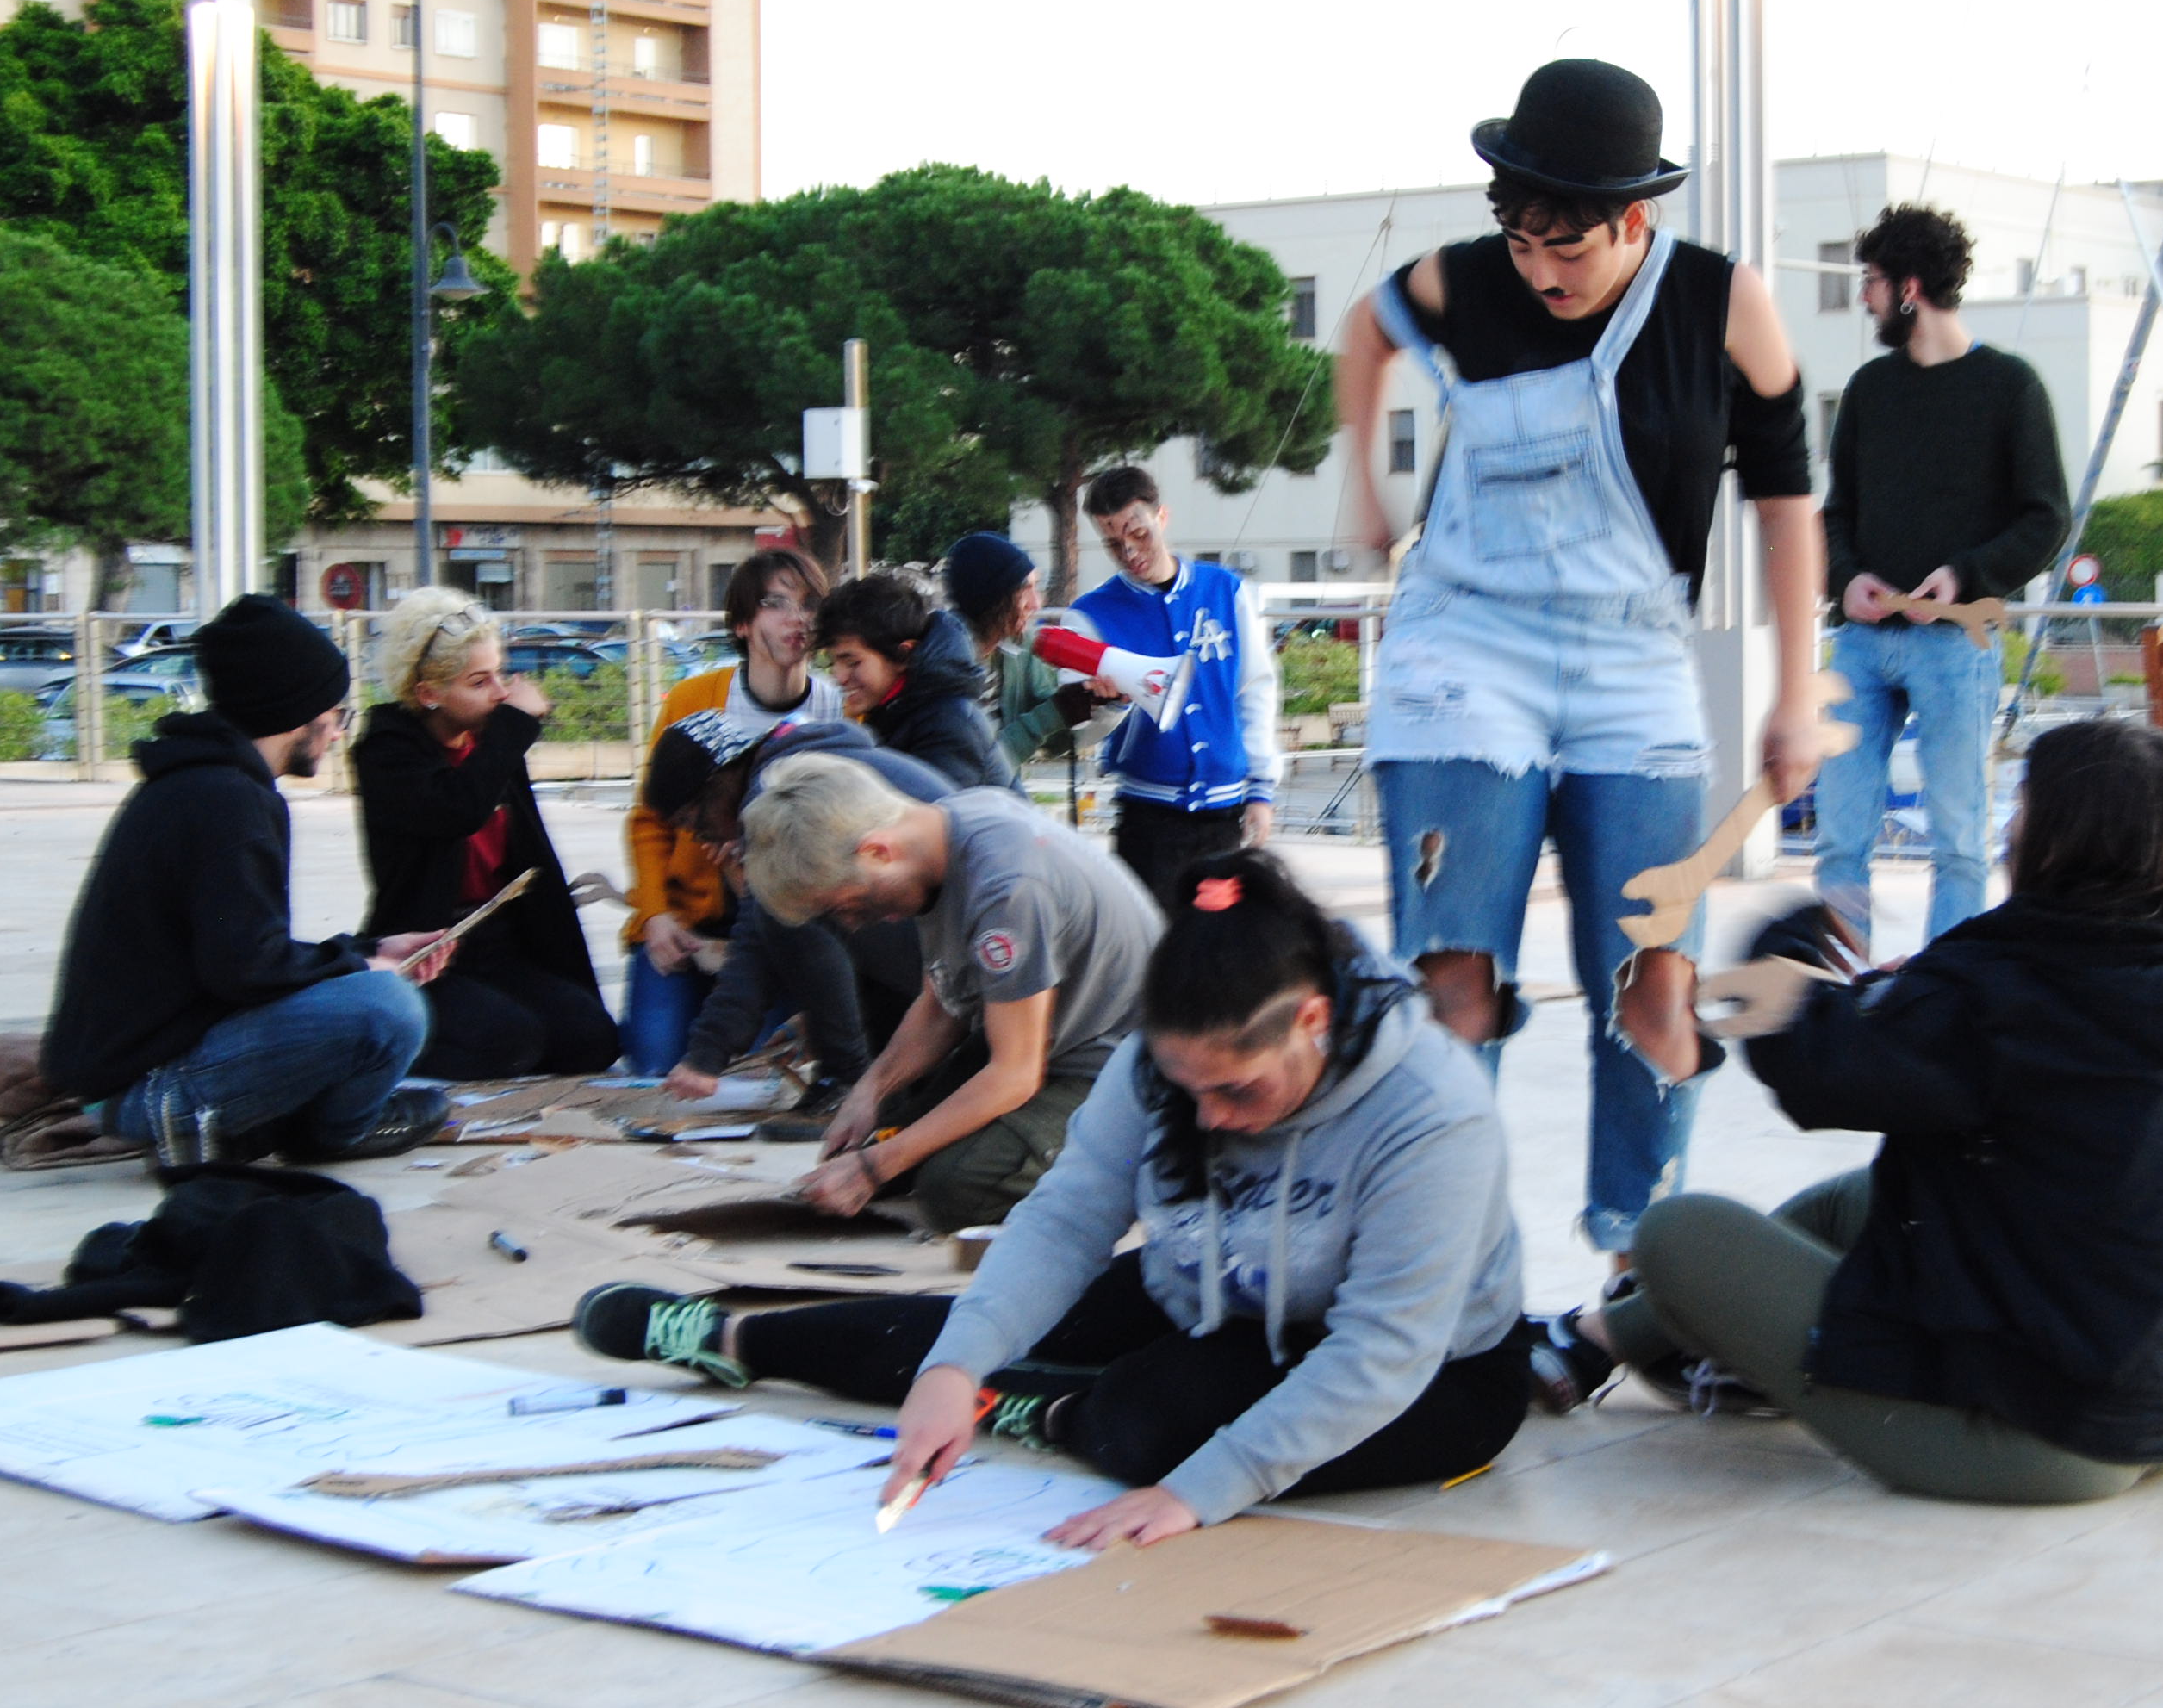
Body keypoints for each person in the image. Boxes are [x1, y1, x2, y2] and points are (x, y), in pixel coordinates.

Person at [571, 853, 1531, 1548]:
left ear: (1313, 1022)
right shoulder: (1157, 1066)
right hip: (1218, 1291)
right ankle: (732, 1339)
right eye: (1186, 1089)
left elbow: (1382, 1350)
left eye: (1236, 1091)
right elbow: (1067, 1220)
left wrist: (1204, 1492)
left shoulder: (1432, 1110)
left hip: (1431, 1372)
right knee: (961, 1341)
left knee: (1151, 1425)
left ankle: (1051, 1412)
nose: (1211, 1118)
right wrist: (953, 1370)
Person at [1335, 57, 1826, 1258]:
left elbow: (1784, 498)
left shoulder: (1723, 302)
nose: (1542, 269)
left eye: (1571, 244)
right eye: (1524, 236)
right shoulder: (1463, 278)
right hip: (1467, 653)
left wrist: (1797, 692)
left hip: (1632, 663)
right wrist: (1365, 481)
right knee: (1457, 981)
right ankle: (1446, 1277)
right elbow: (1361, 331)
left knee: (1655, 981)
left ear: (1635, 217)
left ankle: (1638, 1269)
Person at [1533, 717, 2163, 1503]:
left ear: (2062, 835)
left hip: (2033, 1439)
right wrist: (1910, 996)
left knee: (1677, 1236)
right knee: (1864, 1200)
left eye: (2022, 803)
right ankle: (1593, 1343)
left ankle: (1619, 1343)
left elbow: (1824, 1072)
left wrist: (1782, 952)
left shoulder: (2012, 992)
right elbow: (1996, 1058)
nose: (2008, 823)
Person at [41, 595, 442, 1170]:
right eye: (336, 713)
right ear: (294, 709)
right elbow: (246, 969)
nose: (337, 732)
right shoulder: (228, 801)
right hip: (148, 1093)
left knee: (374, 987)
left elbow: (244, 952)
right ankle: (337, 1131)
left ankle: (285, 1123)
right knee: (389, 1009)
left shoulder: (205, 784)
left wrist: (370, 949)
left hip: (140, 1072)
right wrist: (364, 970)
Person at [731, 751, 1159, 1231]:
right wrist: (871, 1091)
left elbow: (1015, 1075)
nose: (850, 925)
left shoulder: (1006, 888)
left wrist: (875, 1169)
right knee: (886, 1130)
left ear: (877, 852)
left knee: (958, 1186)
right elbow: (942, 1003)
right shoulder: (943, 831)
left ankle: (1143, 1162)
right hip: (1051, 1044)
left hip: (1119, 1071)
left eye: (846, 906)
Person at [1810, 204, 2068, 953]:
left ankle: (1944, 991)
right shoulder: (1867, 390)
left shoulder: (2011, 387)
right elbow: (1839, 512)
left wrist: (1965, 577)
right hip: (1859, 641)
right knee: (1838, 837)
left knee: (1957, 840)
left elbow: (2045, 518)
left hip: (1957, 644)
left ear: (1910, 289)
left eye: (1872, 283)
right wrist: (1847, 578)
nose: (1865, 299)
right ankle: (1842, 987)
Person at [351, 589, 620, 1081]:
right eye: (480, 681)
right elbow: (457, 809)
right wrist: (513, 728)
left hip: (500, 942)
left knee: (593, 1038)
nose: (500, 691)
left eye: (500, 673)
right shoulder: (385, 751)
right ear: (429, 692)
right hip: (430, 949)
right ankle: (384, 1045)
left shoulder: (490, 742)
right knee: (509, 1041)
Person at [621, 548, 845, 1073]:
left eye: (809, 603)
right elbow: (649, 819)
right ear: (743, 624)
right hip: (684, 924)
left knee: (765, 1074)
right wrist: (654, 914)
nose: (798, 618)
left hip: (780, 936)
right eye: (777, 604)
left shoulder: (839, 711)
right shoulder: (694, 699)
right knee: (654, 1067)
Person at [1063, 467, 1282, 892]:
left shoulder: (1227, 591)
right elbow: (1079, 733)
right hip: (1148, 820)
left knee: (1223, 949)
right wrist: (1109, 706)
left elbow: (1255, 691)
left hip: (1225, 814)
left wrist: (1261, 791)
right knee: (1151, 950)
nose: (1129, 552)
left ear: (1162, 517)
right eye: (1112, 544)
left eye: (1138, 534)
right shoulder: (1089, 616)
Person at [817, 574, 1023, 794]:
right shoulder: (886, 712)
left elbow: (932, 817)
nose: (839, 677)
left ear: (904, 655)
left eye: (852, 662)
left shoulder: (949, 724)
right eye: (834, 662)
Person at [944, 529, 1096, 773]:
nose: (1036, 604)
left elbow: (1057, 740)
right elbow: (979, 768)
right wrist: (1054, 714)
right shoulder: (946, 664)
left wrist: (1096, 705)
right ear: (992, 596)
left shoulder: (1016, 650)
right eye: (1026, 589)